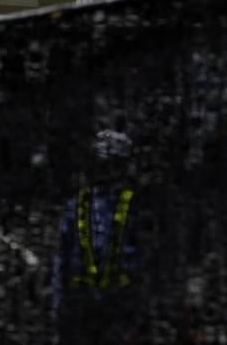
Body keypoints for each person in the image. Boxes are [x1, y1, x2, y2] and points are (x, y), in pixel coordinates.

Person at [53, 129, 147, 344]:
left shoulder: (136, 206)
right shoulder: (77, 205)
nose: (106, 172)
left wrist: (139, 309)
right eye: (101, 164)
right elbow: (62, 257)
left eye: (113, 165)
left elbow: (146, 259)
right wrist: (59, 304)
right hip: (81, 302)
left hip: (119, 304)